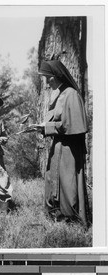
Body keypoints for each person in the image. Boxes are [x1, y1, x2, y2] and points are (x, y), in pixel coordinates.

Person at [32, 60, 90, 226]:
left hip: (69, 148)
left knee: (68, 182)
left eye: (47, 77)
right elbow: (60, 122)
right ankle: (56, 215)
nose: (46, 81)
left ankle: (71, 219)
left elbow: (73, 125)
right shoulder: (60, 94)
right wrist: (43, 127)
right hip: (58, 145)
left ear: (56, 76)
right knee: (53, 178)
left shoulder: (71, 94)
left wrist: (47, 127)